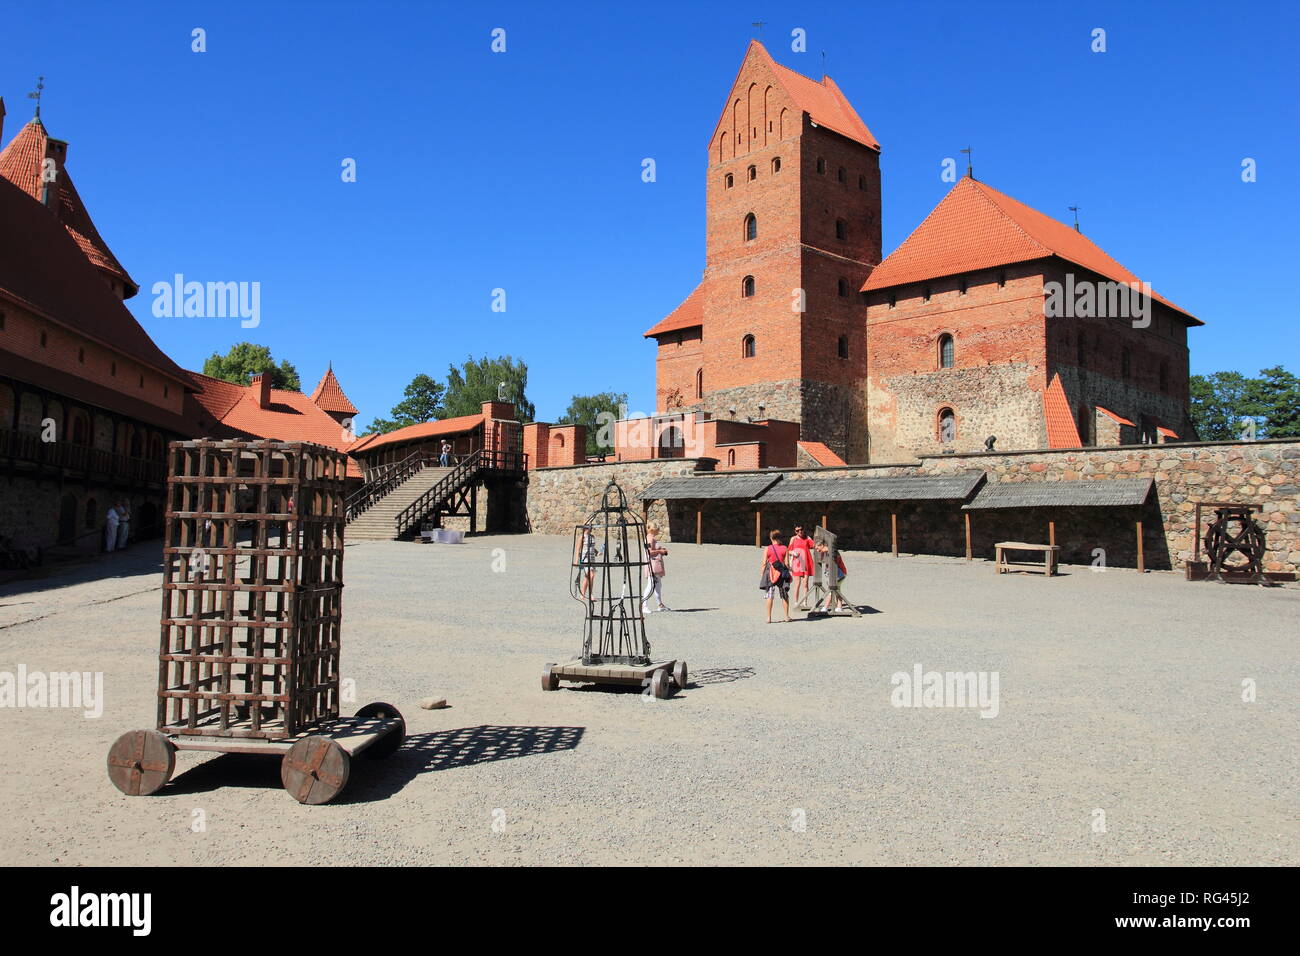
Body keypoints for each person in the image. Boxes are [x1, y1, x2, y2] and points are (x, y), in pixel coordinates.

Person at [760, 529, 793, 623]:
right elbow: (787, 564)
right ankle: (786, 616)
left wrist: (762, 574)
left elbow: (764, 563)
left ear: (771, 538)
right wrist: (789, 573)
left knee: (770, 595)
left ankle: (768, 618)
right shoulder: (785, 548)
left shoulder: (767, 548)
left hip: (770, 572)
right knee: (784, 595)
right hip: (781, 573)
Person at [641, 522, 670, 613]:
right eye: (657, 529)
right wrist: (660, 551)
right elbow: (649, 552)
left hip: (655, 564)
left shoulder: (651, 538)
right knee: (651, 585)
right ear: (653, 530)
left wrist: (660, 551)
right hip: (652, 565)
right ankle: (644, 605)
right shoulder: (649, 539)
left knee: (658, 585)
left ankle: (660, 604)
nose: (658, 530)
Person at [788, 525, 814, 605]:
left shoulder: (807, 538)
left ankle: (805, 601)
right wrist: (793, 553)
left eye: (801, 529)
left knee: (805, 583)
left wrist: (810, 539)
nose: (800, 531)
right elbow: (789, 550)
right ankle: (796, 601)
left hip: (806, 562)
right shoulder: (793, 539)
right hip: (797, 563)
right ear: (795, 531)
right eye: (797, 530)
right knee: (797, 583)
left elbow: (813, 545)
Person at [575, 524, 599, 601]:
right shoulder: (582, 537)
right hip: (585, 559)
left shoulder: (592, 537)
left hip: (592, 558)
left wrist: (597, 552)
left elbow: (592, 547)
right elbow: (578, 549)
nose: (591, 529)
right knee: (591, 575)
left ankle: (582, 595)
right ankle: (591, 594)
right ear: (586, 528)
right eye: (590, 527)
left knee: (587, 577)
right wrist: (576, 561)